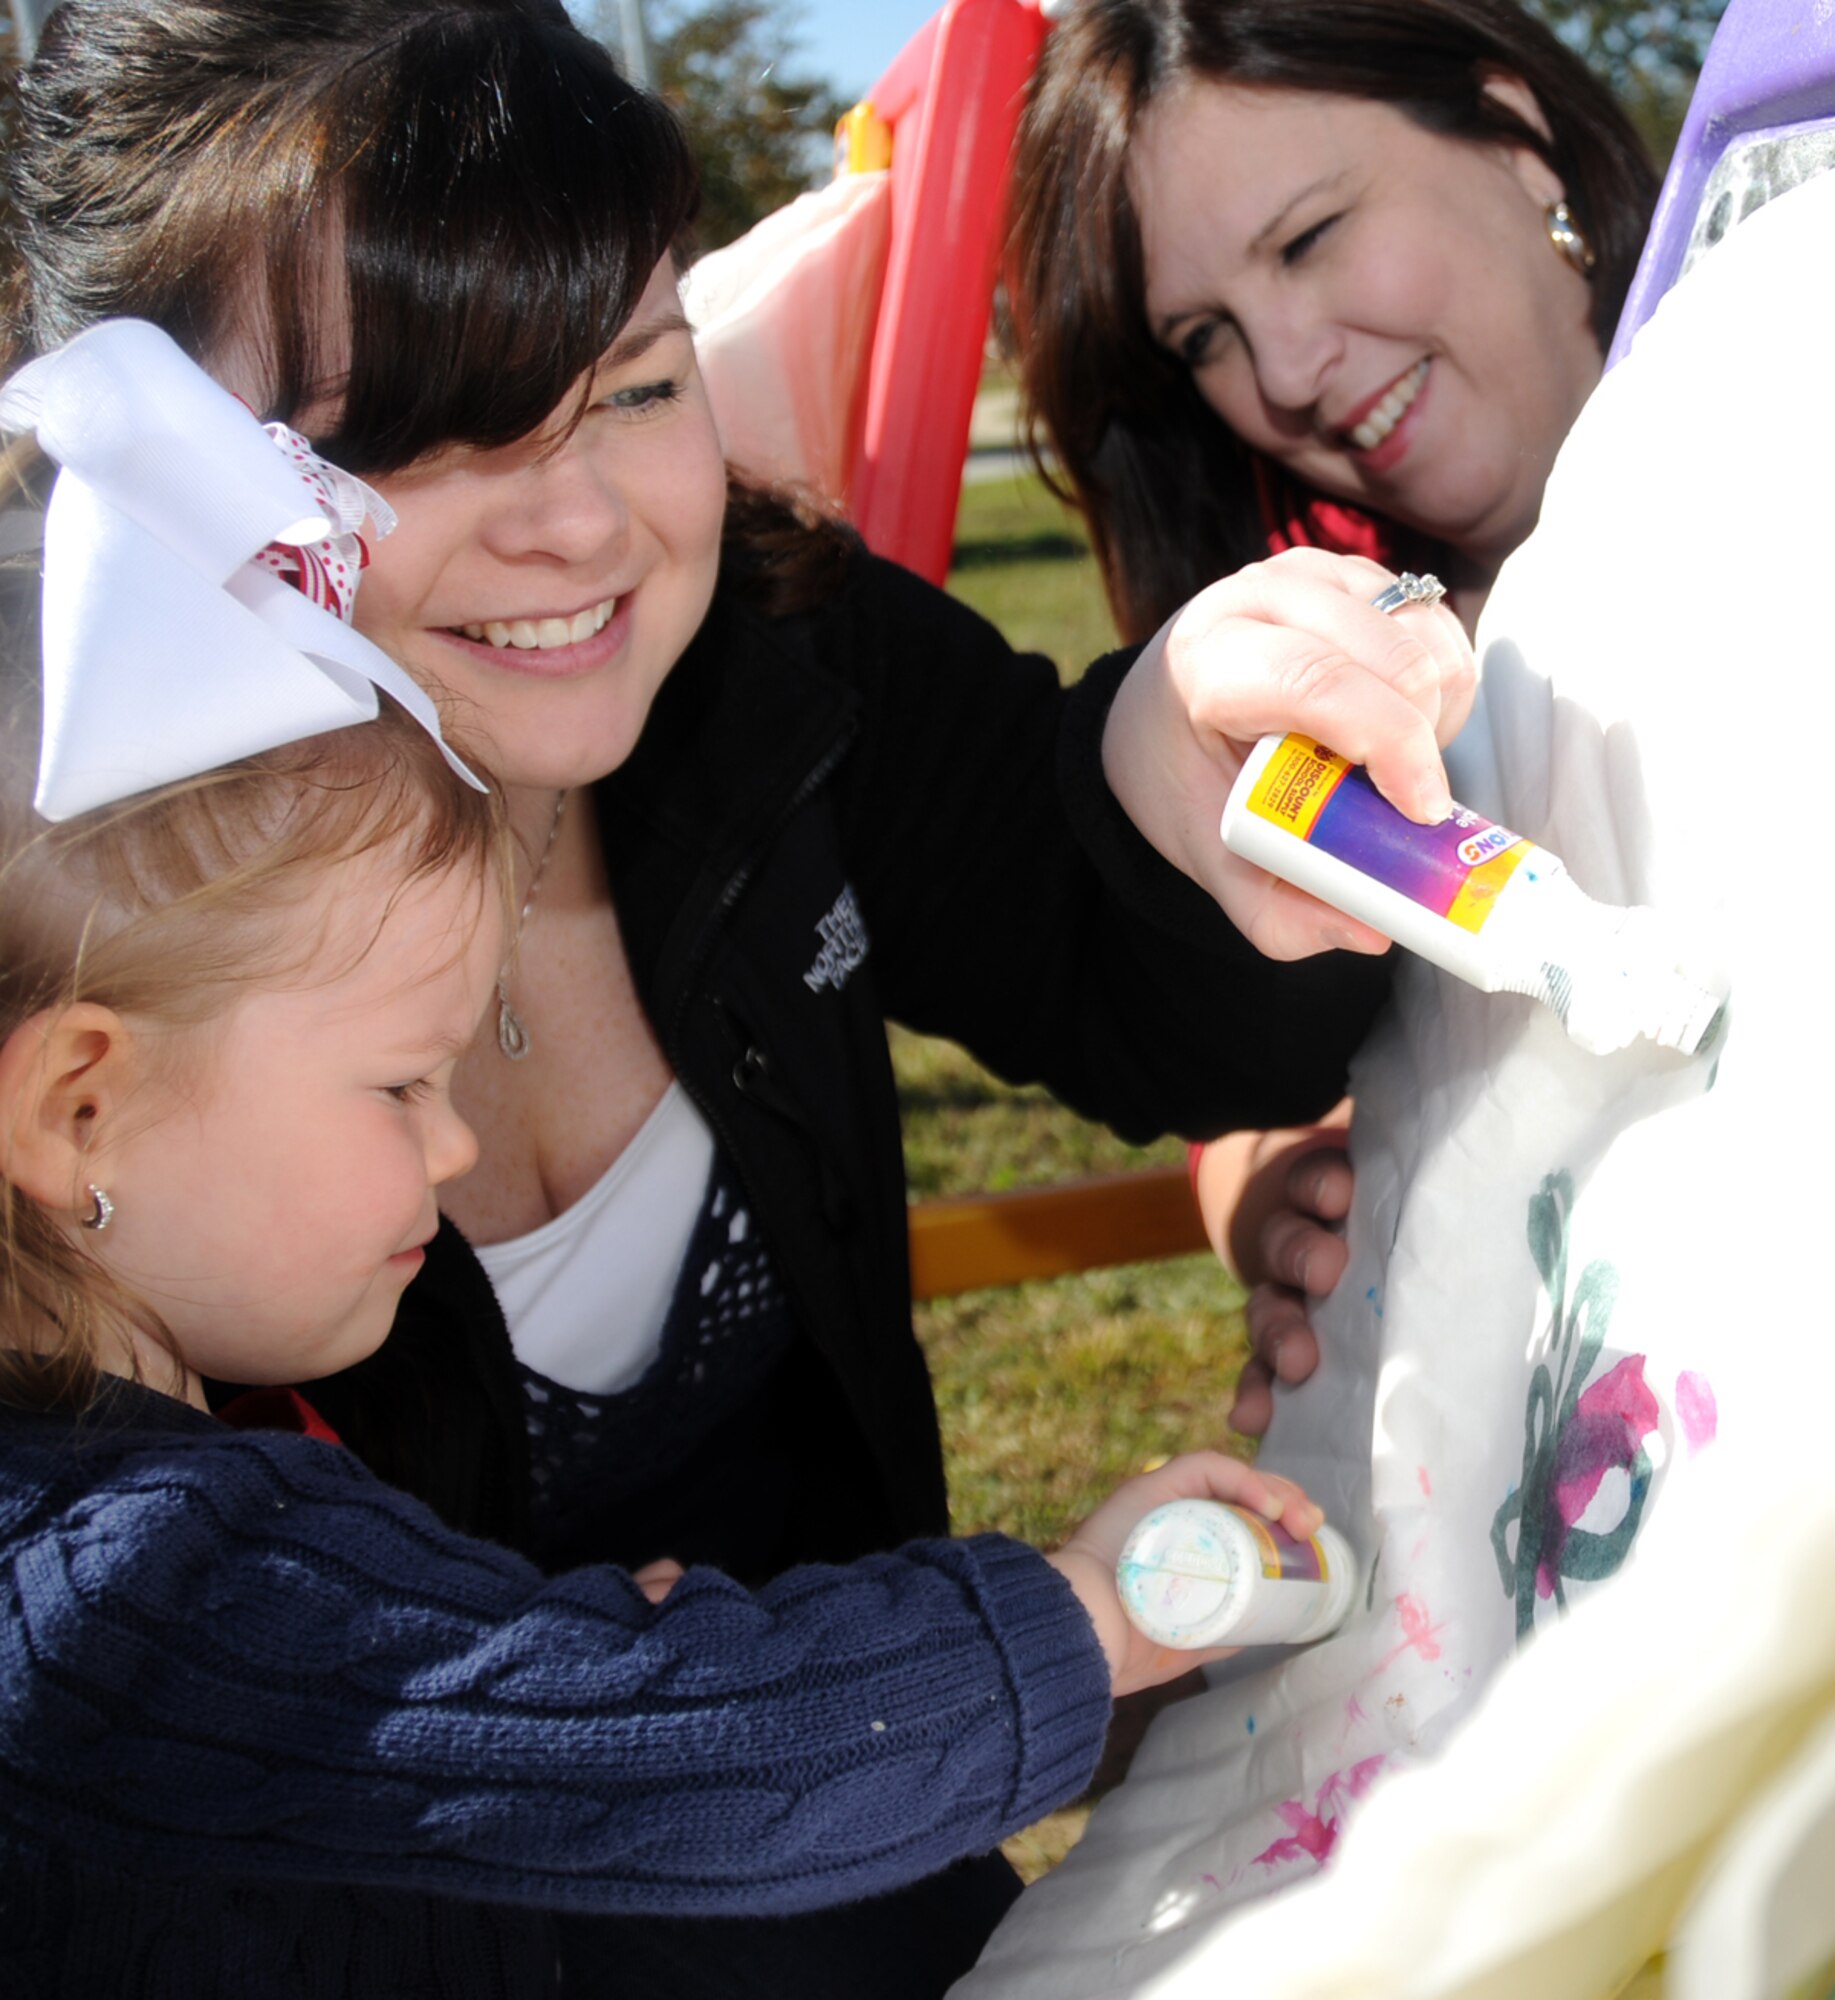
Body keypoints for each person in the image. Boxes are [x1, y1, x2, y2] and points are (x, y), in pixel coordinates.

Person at [4, 4, 1473, 1986]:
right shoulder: (74, 963)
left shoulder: (779, 671)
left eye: (632, 383)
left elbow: (1172, 1003)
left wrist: (1191, 772)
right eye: (420, 429)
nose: (584, 524)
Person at [1004, 0, 1659, 1430]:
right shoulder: (1340, 633)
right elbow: (1213, 989)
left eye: (1307, 237)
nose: (1287, 373)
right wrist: (1260, 1161)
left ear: (1516, 136)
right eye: (1207, 336)